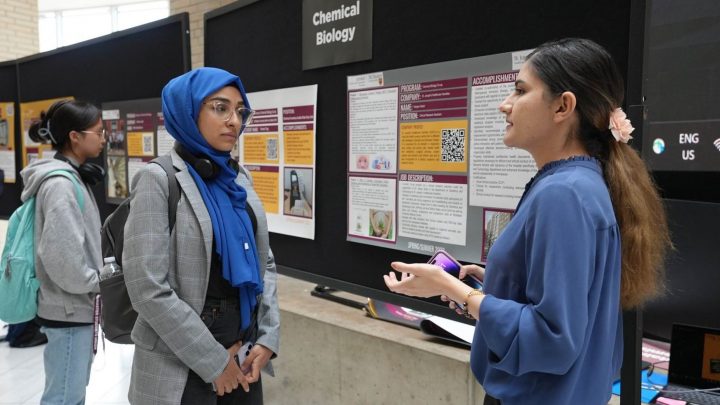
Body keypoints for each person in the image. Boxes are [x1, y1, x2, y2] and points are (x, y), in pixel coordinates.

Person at [383, 38, 671, 405]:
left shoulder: (563, 194)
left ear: (563, 106)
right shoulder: (578, 185)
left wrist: (459, 291)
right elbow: (566, 302)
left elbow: (552, 337)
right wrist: (492, 284)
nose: (505, 104)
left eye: (520, 90)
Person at [123, 67, 280, 405]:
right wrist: (213, 361)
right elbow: (147, 287)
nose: (234, 121)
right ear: (188, 111)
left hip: (244, 348)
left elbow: (263, 262)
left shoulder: (240, 178)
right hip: (179, 357)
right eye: (220, 107)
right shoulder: (159, 179)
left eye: (240, 111)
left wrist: (268, 337)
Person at [23, 99, 107, 404]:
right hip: (69, 310)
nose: (103, 137)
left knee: (70, 394)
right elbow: (63, 261)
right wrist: (98, 280)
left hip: (74, 308)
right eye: (98, 131)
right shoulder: (61, 185)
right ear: (75, 136)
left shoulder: (72, 178)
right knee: (63, 398)